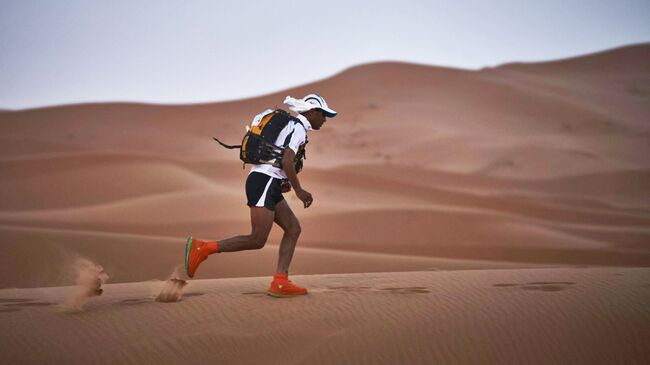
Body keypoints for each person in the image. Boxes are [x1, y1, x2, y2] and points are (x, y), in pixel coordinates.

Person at [184, 93, 337, 298]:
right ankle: (202, 248)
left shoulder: (294, 126)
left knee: (293, 228)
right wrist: (299, 190)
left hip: (268, 181)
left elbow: (279, 160)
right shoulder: (298, 127)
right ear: (311, 112)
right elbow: (287, 159)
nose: (325, 119)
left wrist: (281, 182)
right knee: (257, 239)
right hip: (264, 181)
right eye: (323, 114)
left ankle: (280, 281)